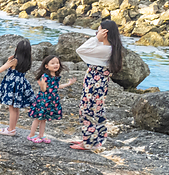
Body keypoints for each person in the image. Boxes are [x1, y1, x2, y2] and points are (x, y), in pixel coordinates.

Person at [72, 20, 123, 151]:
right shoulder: (111, 48)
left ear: (104, 33)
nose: (97, 34)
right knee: (97, 110)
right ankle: (94, 140)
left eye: (98, 31)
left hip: (94, 84)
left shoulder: (104, 49)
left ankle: (88, 142)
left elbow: (80, 50)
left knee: (87, 110)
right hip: (99, 83)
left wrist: (96, 39)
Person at [27, 54, 75, 144]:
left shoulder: (57, 76)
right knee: (38, 118)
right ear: (46, 66)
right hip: (43, 100)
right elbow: (44, 89)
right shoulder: (45, 76)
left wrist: (68, 84)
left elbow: (56, 87)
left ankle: (41, 135)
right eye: (52, 63)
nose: (56, 65)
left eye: (57, 63)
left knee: (44, 119)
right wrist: (42, 85)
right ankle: (31, 135)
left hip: (51, 100)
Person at [0, 40, 34, 136]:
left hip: (12, 85)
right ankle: (12, 127)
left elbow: (0, 70)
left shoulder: (14, 61)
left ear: (17, 49)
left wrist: (8, 61)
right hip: (21, 84)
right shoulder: (28, 61)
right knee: (16, 108)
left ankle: (11, 129)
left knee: (11, 108)